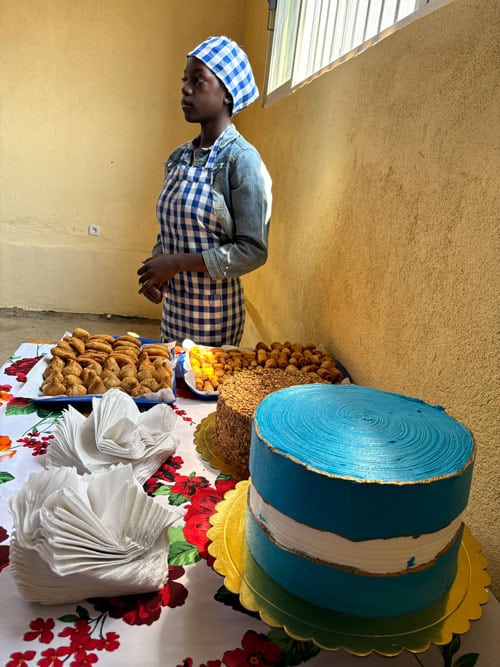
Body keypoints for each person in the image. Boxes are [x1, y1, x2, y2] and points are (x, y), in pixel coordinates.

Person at [137, 35, 272, 347]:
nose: (186, 88)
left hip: (215, 319)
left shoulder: (241, 160)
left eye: (198, 80)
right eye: (185, 79)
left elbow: (253, 251)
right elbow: (171, 230)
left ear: (227, 93)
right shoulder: (178, 158)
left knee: (203, 393)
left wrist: (176, 263)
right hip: (175, 313)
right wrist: (158, 269)